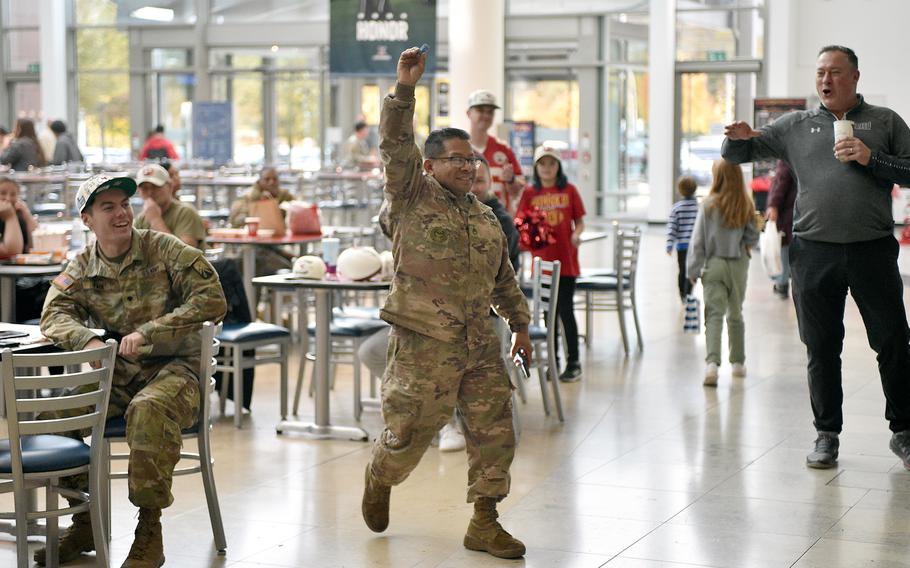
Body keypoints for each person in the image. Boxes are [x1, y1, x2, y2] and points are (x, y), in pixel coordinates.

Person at [362, 46, 532, 560]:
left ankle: (485, 520)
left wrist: (520, 324)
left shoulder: (484, 217)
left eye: (471, 159)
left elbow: (502, 278)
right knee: (408, 438)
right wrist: (405, 89)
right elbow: (395, 144)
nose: (468, 166)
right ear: (430, 165)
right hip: (422, 344)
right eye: (456, 159)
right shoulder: (412, 195)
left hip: (479, 344)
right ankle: (380, 474)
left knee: (494, 432)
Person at [722, 45, 910, 470]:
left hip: (872, 250)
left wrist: (872, 158)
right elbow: (740, 154)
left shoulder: (884, 121)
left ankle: (904, 432)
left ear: (855, 77)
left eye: (835, 72)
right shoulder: (796, 125)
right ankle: (827, 435)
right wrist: (733, 138)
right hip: (813, 253)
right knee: (821, 347)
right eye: (820, 72)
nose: (826, 80)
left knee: (894, 342)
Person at [36, 173, 226, 567]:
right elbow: (53, 313)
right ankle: (84, 518)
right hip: (119, 375)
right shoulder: (84, 265)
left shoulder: (162, 248)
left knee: (149, 409)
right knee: (52, 418)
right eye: (109, 207)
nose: (122, 213)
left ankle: (148, 532)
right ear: (87, 219)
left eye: (125, 205)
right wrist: (85, 340)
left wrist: (151, 331)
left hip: (176, 370)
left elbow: (212, 298)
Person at [358, 154, 521, 453]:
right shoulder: (434, 213)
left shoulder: (496, 221)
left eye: (479, 179)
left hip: (481, 320)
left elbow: (495, 282)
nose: (471, 184)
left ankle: (447, 422)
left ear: (489, 184)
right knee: (372, 351)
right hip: (428, 319)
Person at [515, 143, 586, 382]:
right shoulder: (529, 193)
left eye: (552, 163)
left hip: (566, 262)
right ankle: (552, 362)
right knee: (548, 315)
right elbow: (521, 223)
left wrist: (577, 234)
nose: (547, 168)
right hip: (542, 265)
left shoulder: (569, 190)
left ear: (559, 166)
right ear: (536, 167)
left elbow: (580, 220)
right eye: (542, 164)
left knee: (566, 312)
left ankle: (574, 362)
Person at [686, 160, 759, 387]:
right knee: (735, 313)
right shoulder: (745, 204)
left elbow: (698, 241)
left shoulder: (708, 205)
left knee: (713, 315)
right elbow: (753, 237)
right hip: (738, 264)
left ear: (716, 177)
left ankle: (712, 366)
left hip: (714, 263)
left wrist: (693, 269)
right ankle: (737, 363)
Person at [466, 89, 526, 216]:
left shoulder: (504, 149)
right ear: (468, 113)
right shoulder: (458, 149)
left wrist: (511, 180)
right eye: (480, 110)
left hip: (499, 222)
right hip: (465, 220)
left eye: (490, 112)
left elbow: (518, 192)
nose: (486, 116)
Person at [229, 166, 294, 278]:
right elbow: (236, 221)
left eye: (274, 179)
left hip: (278, 246)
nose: (271, 182)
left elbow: (297, 212)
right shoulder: (247, 198)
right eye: (267, 179)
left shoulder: (285, 196)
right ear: (259, 181)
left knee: (292, 263)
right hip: (254, 248)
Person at [133, 163, 207, 250]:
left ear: (170, 186)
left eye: (156, 187)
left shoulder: (185, 212)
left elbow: (184, 258)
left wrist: (155, 220)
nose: (150, 192)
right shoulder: (141, 218)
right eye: (145, 188)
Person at [765, 160, 797, 299]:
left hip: (787, 214)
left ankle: (782, 283)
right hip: (798, 212)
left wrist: (773, 204)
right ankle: (787, 282)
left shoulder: (786, 159)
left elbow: (781, 182)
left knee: (783, 248)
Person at [666, 176, 699, 302]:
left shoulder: (676, 208)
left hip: (682, 246)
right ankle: (689, 292)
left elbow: (672, 229)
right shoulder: (698, 207)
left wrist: (669, 245)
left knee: (682, 269)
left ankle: (682, 294)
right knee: (692, 270)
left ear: (679, 190)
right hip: (695, 246)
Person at [0, 176, 37, 257]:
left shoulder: (20, 216)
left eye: (13, 194)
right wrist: (10, 216)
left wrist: (26, 214)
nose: (8, 198)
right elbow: (12, 252)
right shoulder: (10, 216)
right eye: (2, 193)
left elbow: (37, 241)